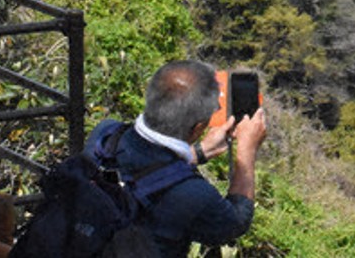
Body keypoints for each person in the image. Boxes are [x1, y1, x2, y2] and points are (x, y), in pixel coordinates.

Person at [86, 59, 267, 258]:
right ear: (198, 127)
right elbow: (235, 222)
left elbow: (142, 166)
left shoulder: (106, 135)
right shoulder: (194, 195)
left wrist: (199, 152)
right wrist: (246, 150)